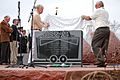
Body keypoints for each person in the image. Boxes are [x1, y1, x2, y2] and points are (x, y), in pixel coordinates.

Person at [82, 1, 110, 67]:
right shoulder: (106, 12)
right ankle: (103, 61)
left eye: (96, 5)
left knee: (95, 44)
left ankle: (100, 60)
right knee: (103, 46)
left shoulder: (98, 10)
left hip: (100, 29)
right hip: (107, 29)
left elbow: (89, 18)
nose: (95, 6)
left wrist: (83, 16)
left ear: (99, 5)